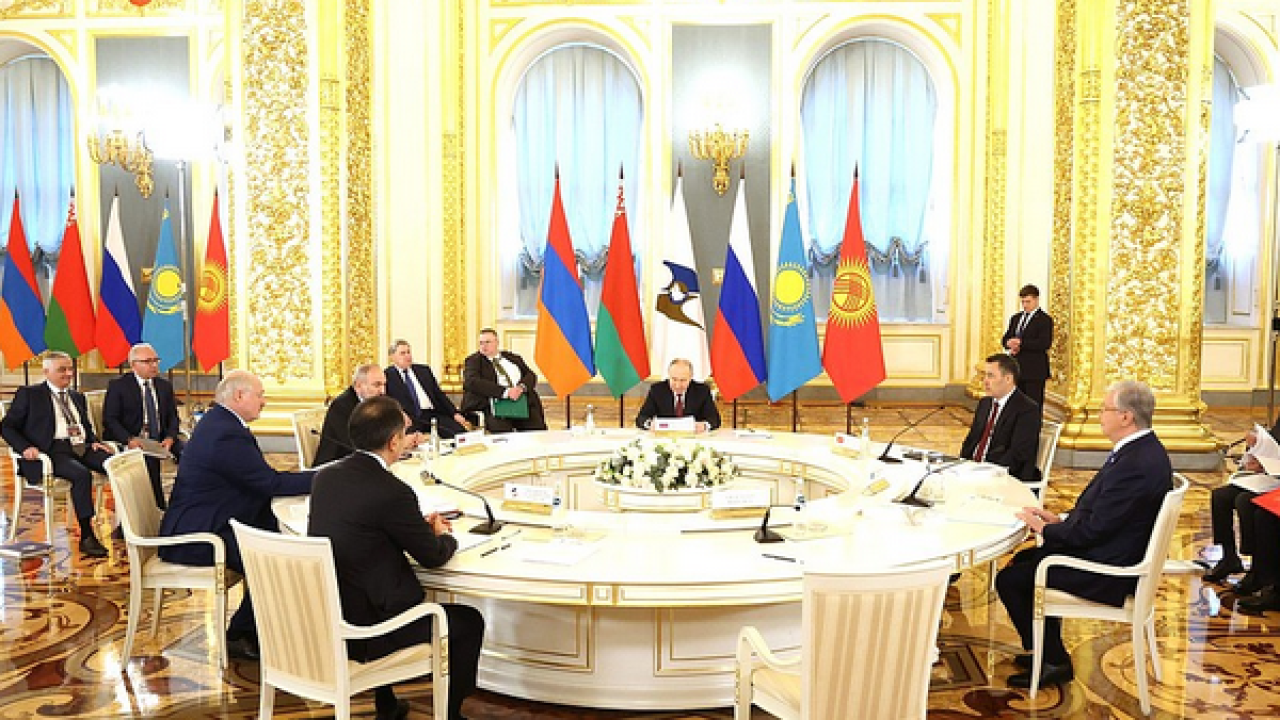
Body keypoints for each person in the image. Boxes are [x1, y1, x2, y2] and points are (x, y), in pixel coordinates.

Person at [309, 396, 485, 720]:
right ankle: (451, 715)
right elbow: (433, 557)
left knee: (371, 582)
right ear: (393, 442)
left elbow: (366, 531)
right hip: (372, 631)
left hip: (329, 615)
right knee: (469, 622)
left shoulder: (325, 478)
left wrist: (414, 528)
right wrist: (444, 536)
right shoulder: (392, 491)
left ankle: (387, 704)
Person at [995, 380, 1171, 689]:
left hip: (1110, 568)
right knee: (1024, 561)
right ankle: (1046, 650)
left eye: (1105, 409)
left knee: (1010, 579)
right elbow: (1103, 514)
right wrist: (1059, 519)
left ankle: (1053, 660)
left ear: (1126, 417)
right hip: (1110, 547)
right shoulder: (1140, 450)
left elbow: (1094, 530)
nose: (1099, 416)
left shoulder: (1136, 463)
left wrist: (1046, 529)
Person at [158, 370, 314, 660]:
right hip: (198, 534)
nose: (264, 401)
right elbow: (269, 484)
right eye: (260, 395)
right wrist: (325, 479)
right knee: (272, 557)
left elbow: (256, 480)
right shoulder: (225, 433)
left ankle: (264, 626)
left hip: (216, 517)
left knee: (277, 540)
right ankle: (240, 634)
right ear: (239, 395)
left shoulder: (223, 423)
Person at [1, 351, 115, 558]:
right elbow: (7, 427)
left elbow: (85, 426)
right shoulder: (30, 394)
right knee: (81, 475)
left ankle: (128, 526)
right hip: (51, 451)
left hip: (81, 446)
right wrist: (25, 448)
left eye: (70, 369)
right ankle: (87, 535)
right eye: (62, 370)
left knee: (116, 465)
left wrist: (94, 442)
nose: (69, 373)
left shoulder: (77, 397)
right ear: (46, 372)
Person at [102, 343, 184, 509]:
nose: (154, 365)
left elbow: (173, 418)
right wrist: (129, 440)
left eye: (156, 361)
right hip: (134, 439)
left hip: (162, 438)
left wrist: (170, 437)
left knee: (189, 454)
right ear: (133, 365)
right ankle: (158, 509)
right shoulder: (119, 386)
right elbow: (110, 420)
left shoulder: (164, 386)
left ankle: (183, 503)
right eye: (148, 361)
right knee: (149, 458)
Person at [1204, 418, 1280, 584]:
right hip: (1272, 476)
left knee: (1245, 501)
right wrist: (1258, 446)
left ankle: (1258, 568)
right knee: (1221, 496)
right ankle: (1229, 558)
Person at [959, 353, 1042, 483]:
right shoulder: (985, 403)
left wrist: (986, 472)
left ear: (1008, 379)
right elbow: (971, 441)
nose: (985, 381)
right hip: (974, 472)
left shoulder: (1027, 410)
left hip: (1005, 477)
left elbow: (1018, 454)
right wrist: (962, 466)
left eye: (991, 376)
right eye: (985, 376)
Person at [461, 328, 547, 433]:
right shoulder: (473, 361)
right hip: (493, 403)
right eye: (481, 343)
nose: (484, 346)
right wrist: (506, 392)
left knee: (535, 429)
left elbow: (530, 375)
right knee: (502, 431)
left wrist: (520, 388)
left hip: (519, 400)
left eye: (487, 342)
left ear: (497, 342)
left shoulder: (513, 358)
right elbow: (472, 382)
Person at [384, 339, 470, 439]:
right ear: (392, 357)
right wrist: (401, 414)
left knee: (460, 434)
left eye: (408, 352)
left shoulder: (424, 370)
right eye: (402, 353)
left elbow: (439, 395)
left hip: (432, 414)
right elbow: (387, 401)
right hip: (410, 418)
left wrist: (454, 413)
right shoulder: (387, 375)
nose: (408, 356)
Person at [314, 363, 390, 466]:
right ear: (358, 386)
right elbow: (352, 444)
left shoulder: (375, 402)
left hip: (361, 461)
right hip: (335, 466)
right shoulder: (341, 406)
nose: (382, 391)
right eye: (377, 385)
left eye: (384, 385)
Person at [1001, 284, 1053, 411]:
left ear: (1036, 300)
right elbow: (1005, 338)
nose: (1025, 305)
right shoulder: (1016, 318)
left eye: (1028, 302)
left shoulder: (1044, 320)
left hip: (1034, 370)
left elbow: (1044, 343)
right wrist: (1009, 343)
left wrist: (1020, 343)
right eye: (1023, 302)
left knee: (1033, 405)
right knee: (1016, 404)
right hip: (1016, 369)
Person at [635, 358, 720, 433]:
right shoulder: (657, 390)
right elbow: (641, 418)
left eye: (683, 380)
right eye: (674, 379)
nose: (678, 385)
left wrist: (704, 425)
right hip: (665, 438)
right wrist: (650, 424)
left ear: (691, 377)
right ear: (669, 375)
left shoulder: (702, 391)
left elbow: (715, 419)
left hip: (693, 438)